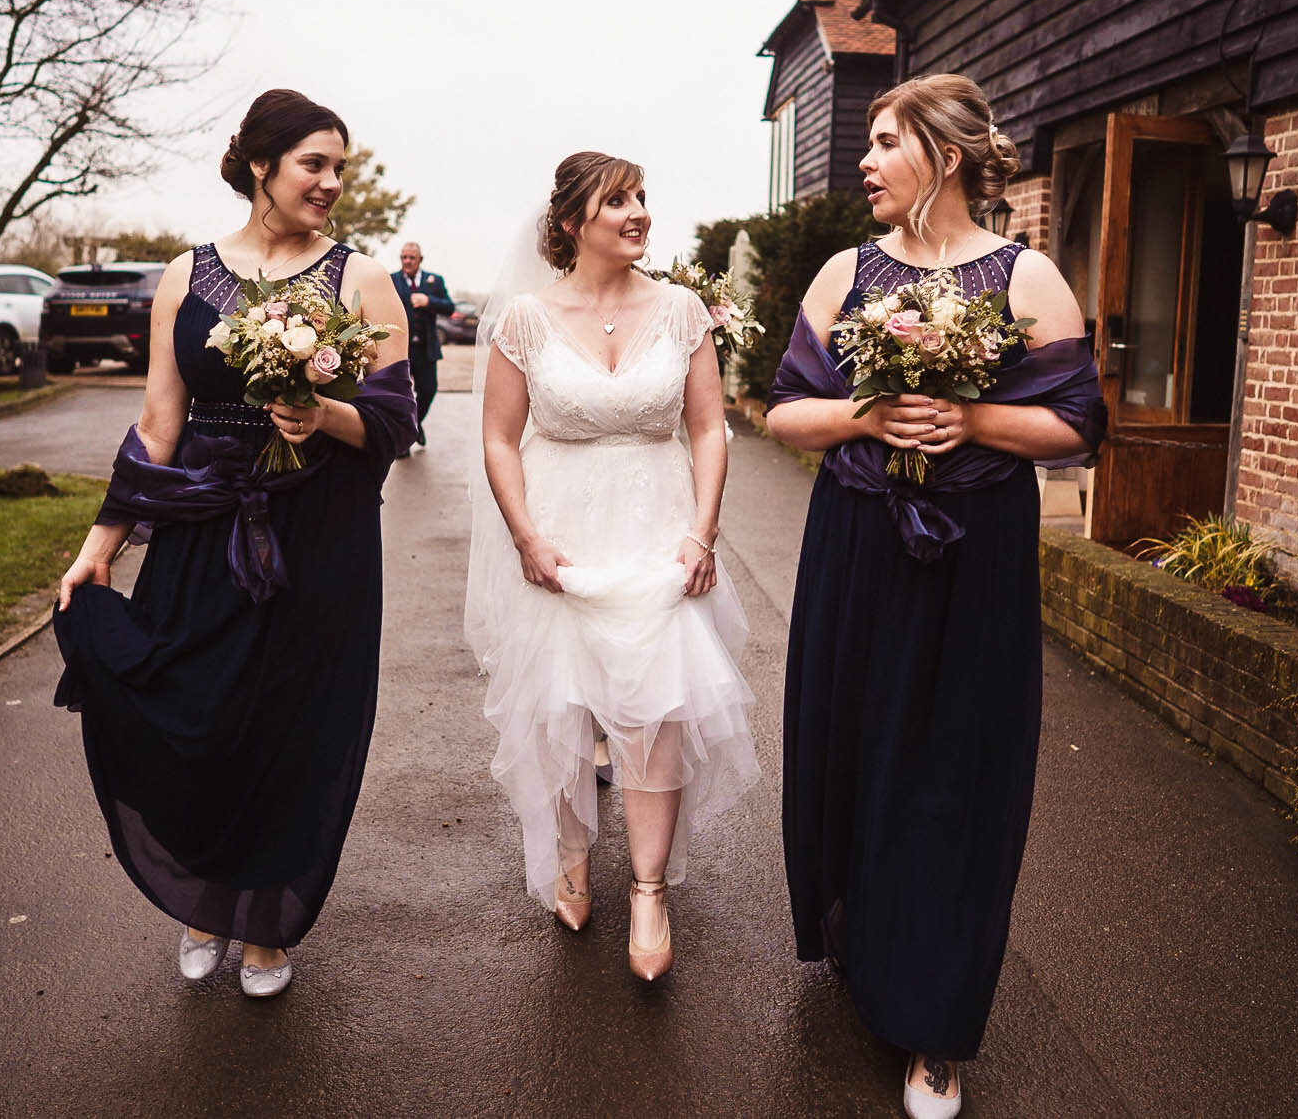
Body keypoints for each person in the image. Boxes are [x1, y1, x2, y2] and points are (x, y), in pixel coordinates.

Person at [765, 75, 1105, 1118]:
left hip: (972, 560)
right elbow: (783, 413)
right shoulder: (842, 274)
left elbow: (1079, 425)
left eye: (881, 142)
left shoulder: (1027, 274)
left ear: (943, 155)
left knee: (955, 768)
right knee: (854, 745)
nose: (862, 161)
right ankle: (866, 943)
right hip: (857, 544)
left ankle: (934, 1025)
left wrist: (973, 421)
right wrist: (866, 416)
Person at [50, 89, 417, 998]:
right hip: (205, 527)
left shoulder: (363, 280)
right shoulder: (184, 274)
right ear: (261, 164)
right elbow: (157, 425)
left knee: (293, 724)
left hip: (319, 536)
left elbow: (395, 419)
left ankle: (263, 925)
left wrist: (320, 410)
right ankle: (206, 901)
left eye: (341, 167)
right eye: (314, 164)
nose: (331, 183)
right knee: (199, 711)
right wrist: (103, 541)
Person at [466, 152, 759, 981]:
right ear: (570, 224)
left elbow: (708, 429)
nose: (638, 214)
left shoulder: (682, 310)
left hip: (659, 533)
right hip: (560, 531)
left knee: (653, 709)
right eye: (617, 202)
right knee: (564, 701)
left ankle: (650, 889)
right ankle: (568, 855)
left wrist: (702, 535)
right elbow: (496, 437)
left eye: (641, 199)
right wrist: (525, 535)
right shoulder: (524, 319)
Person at [392, 241, 454, 451]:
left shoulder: (434, 281)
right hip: (400, 349)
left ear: (420, 260)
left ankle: (414, 424)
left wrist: (429, 301)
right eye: (403, 257)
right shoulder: (391, 280)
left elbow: (449, 307)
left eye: (411, 257)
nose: (407, 261)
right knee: (400, 396)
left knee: (428, 390)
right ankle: (403, 443)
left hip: (426, 349)